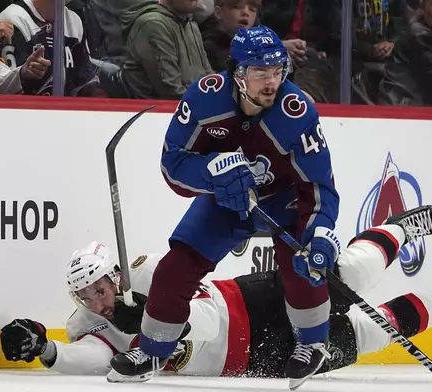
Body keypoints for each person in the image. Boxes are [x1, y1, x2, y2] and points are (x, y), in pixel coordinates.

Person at [0, 205, 432, 382]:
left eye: (99, 286)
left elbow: (177, 298)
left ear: (112, 275)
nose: (98, 300)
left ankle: (402, 228)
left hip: (252, 300)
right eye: (86, 297)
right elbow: (86, 361)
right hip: (255, 357)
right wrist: (44, 350)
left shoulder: (143, 273)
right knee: (368, 332)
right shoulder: (91, 329)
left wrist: (147, 314)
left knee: (346, 277)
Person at [119, 24, 341, 389]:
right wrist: (211, 172)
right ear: (238, 73)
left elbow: (318, 186)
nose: (272, 82)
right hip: (227, 199)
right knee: (178, 264)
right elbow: (172, 165)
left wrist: (318, 233)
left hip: (284, 199)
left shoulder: (297, 112)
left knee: (303, 264)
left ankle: (313, 343)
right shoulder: (204, 99)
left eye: (277, 71)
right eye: (260, 73)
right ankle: (154, 349)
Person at [0, 0, 106, 96]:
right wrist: (23, 74)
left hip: (66, 116)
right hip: (24, 116)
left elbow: (82, 81)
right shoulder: (12, 20)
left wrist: (101, 92)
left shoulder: (74, 20)